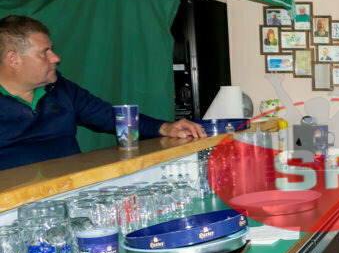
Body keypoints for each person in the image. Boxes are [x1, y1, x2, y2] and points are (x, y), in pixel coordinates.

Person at [0, 15, 206, 171]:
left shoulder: (60, 89)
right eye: (44, 52)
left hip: (71, 195)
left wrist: (165, 127)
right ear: (13, 59)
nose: (56, 58)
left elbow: (109, 117)